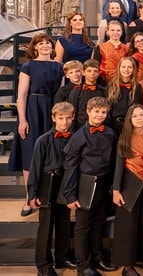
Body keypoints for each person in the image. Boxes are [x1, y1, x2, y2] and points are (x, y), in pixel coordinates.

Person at [8, 33, 64, 217]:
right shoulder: (28, 66)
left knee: (50, 155)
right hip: (32, 111)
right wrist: (22, 120)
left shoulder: (59, 67)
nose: (46, 45)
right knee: (30, 155)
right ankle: (29, 198)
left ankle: (48, 195)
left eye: (48, 43)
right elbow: (21, 95)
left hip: (52, 111)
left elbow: (61, 94)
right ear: (36, 47)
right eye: (41, 43)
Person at [61, 97, 118, 275]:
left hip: (103, 184)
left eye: (103, 112)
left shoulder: (110, 133)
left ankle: (98, 257)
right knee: (82, 227)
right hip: (85, 184)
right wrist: (70, 195)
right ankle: (83, 265)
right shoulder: (78, 136)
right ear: (88, 111)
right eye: (96, 111)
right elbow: (70, 167)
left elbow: (113, 161)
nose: (100, 115)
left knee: (99, 223)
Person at [28, 102, 76, 276]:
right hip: (48, 183)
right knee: (46, 226)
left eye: (68, 118)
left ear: (73, 118)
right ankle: (43, 264)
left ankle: (62, 257)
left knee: (64, 222)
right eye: (61, 118)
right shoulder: (43, 140)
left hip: (66, 182)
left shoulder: (75, 137)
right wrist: (32, 193)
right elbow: (35, 168)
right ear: (53, 118)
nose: (64, 122)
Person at [111, 104, 143, 276]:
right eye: (135, 116)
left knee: (142, 222)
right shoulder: (124, 137)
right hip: (129, 184)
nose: (139, 118)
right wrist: (116, 190)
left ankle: (139, 256)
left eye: (142, 115)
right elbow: (119, 166)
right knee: (128, 225)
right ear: (130, 119)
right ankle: (127, 266)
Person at [67, 59, 106, 131]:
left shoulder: (104, 91)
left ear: (99, 73)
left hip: (100, 128)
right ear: (83, 72)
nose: (92, 73)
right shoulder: (76, 91)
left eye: (95, 71)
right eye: (89, 71)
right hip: (80, 128)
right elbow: (72, 113)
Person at [106, 57, 138, 135]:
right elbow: (108, 108)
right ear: (119, 68)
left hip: (132, 124)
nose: (126, 70)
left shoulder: (138, 87)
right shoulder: (110, 86)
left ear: (134, 69)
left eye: (129, 67)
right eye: (123, 67)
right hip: (114, 125)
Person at [94, 20, 129, 84]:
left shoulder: (126, 48)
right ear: (107, 32)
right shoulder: (100, 47)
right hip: (104, 82)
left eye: (118, 30)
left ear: (122, 32)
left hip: (123, 81)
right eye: (112, 30)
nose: (115, 32)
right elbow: (96, 65)